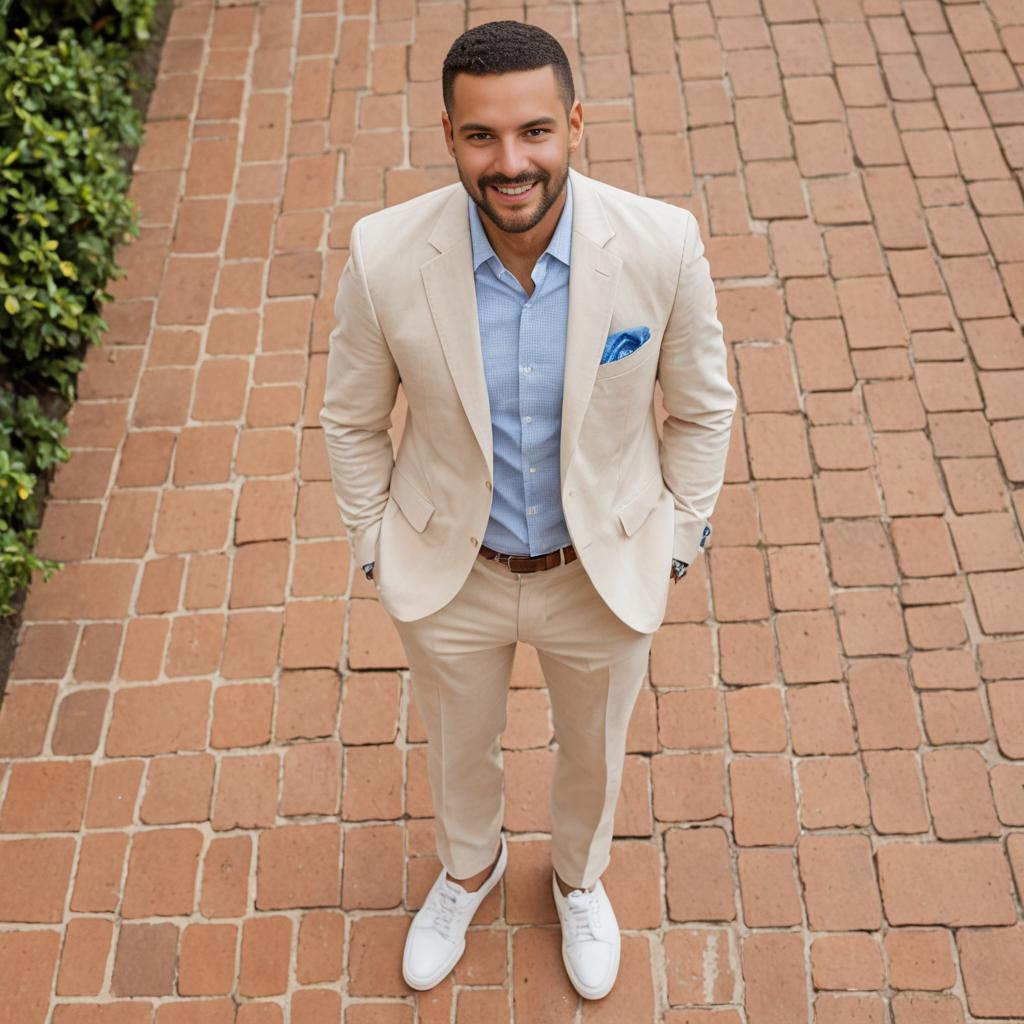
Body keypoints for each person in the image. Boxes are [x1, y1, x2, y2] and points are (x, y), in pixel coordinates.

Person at [319, 20, 736, 1001]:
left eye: (535, 132)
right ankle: (470, 870)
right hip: (452, 573)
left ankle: (577, 876)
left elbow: (704, 406)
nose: (511, 163)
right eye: (481, 137)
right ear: (449, 134)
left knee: (593, 748)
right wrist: (377, 547)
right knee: (456, 742)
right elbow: (350, 418)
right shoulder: (383, 255)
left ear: (575, 125)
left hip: (599, 573)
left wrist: (675, 541)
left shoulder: (659, 245)